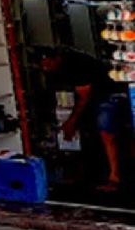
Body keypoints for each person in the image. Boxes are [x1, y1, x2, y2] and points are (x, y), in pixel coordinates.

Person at [41, 46, 126, 192]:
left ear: (57, 59)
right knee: (96, 134)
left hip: (110, 94)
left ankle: (115, 177)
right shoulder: (59, 69)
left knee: (107, 133)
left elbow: (84, 96)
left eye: (48, 64)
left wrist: (71, 123)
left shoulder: (76, 65)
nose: (45, 68)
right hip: (98, 99)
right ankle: (92, 174)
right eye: (43, 66)